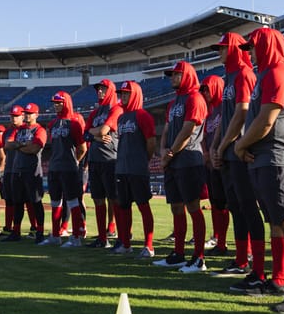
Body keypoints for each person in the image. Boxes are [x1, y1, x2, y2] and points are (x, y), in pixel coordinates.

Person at [233, 28, 284, 314]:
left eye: (252, 47)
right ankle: (278, 281)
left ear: (265, 45)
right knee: (277, 222)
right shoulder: (265, 75)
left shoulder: (278, 73)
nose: (250, 54)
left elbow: (267, 120)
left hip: (279, 158)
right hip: (265, 158)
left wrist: (240, 145)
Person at [213, 32, 267, 288]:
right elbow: (225, 118)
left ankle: (257, 266)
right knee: (236, 207)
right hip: (228, 151)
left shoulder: (244, 74)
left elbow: (242, 114)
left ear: (235, 48)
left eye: (224, 48)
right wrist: (216, 146)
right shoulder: (229, 78)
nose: (220, 52)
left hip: (241, 152)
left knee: (248, 207)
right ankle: (240, 259)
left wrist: (224, 145)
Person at [153, 60, 208, 272]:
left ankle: (199, 258)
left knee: (193, 206)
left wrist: (170, 153)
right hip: (173, 161)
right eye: (171, 75)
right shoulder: (174, 101)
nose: (172, 78)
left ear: (186, 75)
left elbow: (187, 130)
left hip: (188, 160)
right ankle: (178, 253)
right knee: (176, 207)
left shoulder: (195, 98)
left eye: (176, 74)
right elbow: (167, 130)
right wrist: (163, 151)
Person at [113, 80, 157, 256]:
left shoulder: (143, 115)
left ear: (135, 95)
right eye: (121, 93)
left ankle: (149, 246)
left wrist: (142, 159)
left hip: (137, 169)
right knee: (123, 207)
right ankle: (125, 243)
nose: (123, 96)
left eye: (126, 93)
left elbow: (151, 142)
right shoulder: (122, 117)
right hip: (122, 169)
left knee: (143, 206)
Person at [47, 91, 89, 247]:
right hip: (54, 168)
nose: (56, 105)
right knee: (55, 202)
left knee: (72, 202)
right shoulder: (52, 124)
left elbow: (83, 148)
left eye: (59, 102)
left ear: (66, 103)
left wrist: (75, 162)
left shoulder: (75, 124)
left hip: (68, 168)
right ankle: (55, 235)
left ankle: (76, 237)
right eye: (55, 103)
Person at [85, 79, 123, 247]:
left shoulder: (116, 109)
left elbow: (103, 130)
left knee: (114, 199)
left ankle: (118, 233)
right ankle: (102, 238)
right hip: (94, 160)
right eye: (98, 89)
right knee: (98, 199)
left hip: (110, 160)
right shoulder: (95, 112)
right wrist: (95, 136)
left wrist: (95, 133)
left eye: (103, 89)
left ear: (111, 91)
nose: (99, 92)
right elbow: (84, 134)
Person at [199, 74, 230, 256]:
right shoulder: (210, 113)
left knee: (235, 206)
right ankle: (220, 242)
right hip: (212, 165)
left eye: (207, 88)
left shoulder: (225, 108)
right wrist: (206, 152)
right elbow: (204, 136)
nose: (204, 92)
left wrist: (215, 151)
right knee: (217, 204)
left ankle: (247, 250)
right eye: (202, 89)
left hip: (225, 163)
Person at [12, 104, 49, 243]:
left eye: (30, 113)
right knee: (18, 203)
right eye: (26, 113)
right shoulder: (20, 129)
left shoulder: (40, 130)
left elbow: (34, 148)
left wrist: (18, 146)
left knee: (36, 202)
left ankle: (39, 232)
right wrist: (22, 145)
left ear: (36, 115)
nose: (27, 115)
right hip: (18, 170)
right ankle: (16, 232)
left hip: (32, 171)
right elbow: (9, 145)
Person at [0, 105, 28, 240]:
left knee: (28, 200)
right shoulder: (7, 131)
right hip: (10, 168)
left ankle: (34, 228)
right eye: (12, 115)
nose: (13, 118)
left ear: (23, 116)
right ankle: (8, 228)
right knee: (9, 200)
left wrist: (15, 144)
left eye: (16, 116)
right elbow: (5, 146)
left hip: (24, 169)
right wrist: (20, 144)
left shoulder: (26, 130)